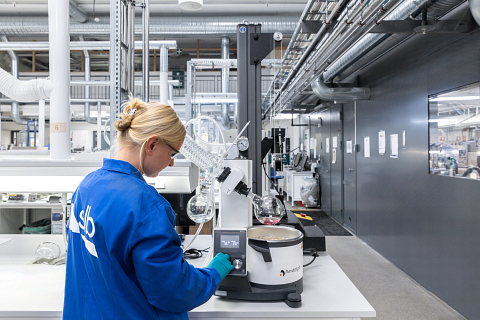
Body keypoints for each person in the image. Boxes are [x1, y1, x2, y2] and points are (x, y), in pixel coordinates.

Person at [63, 98, 234, 319]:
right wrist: (212, 274)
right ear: (152, 144)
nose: (171, 162)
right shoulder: (145, 206)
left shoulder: (87, 185)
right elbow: (174, 290)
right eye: (172, 153)